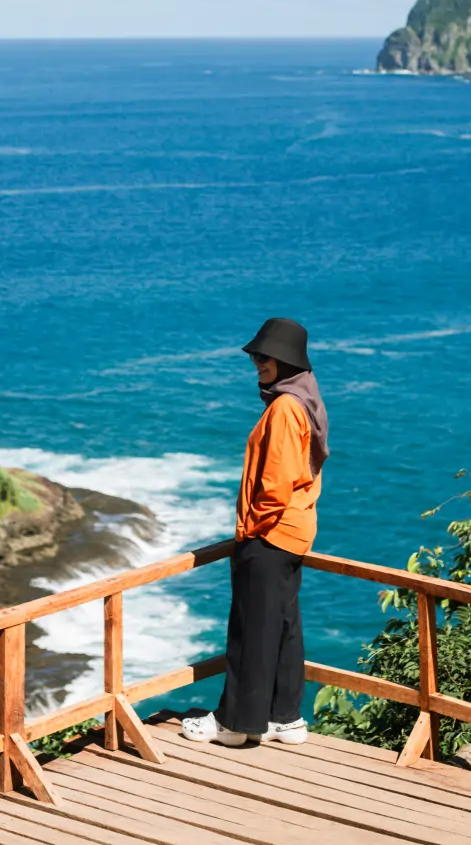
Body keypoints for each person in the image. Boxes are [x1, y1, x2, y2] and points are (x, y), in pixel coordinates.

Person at [182, 317, 329, 746]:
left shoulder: (283, 409)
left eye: (266, 356)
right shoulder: (305, 399)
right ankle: (286, 718)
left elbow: (276, 485)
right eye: (255, 356)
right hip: (294, 531)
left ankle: (236, 724)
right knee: (282, 627)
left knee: (250, 631)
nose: (258, 363)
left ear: (287, 360)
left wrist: (249, 530)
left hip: (270, 534)